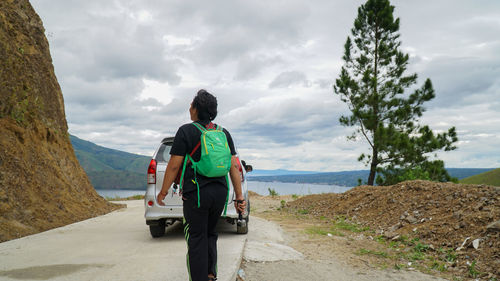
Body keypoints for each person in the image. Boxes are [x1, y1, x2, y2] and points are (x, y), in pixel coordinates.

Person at [157, 89, 246, 281]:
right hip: (220, 193)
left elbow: (173, 166)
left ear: (196, 109)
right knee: (210, 234)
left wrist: (163, 192)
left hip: (196, 194)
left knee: (196, 237)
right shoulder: (223, 133)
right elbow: (234, 167)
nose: (189, 108)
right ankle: (210, 275)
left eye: (191, 105)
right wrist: (239, 197)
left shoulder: (186, 131)